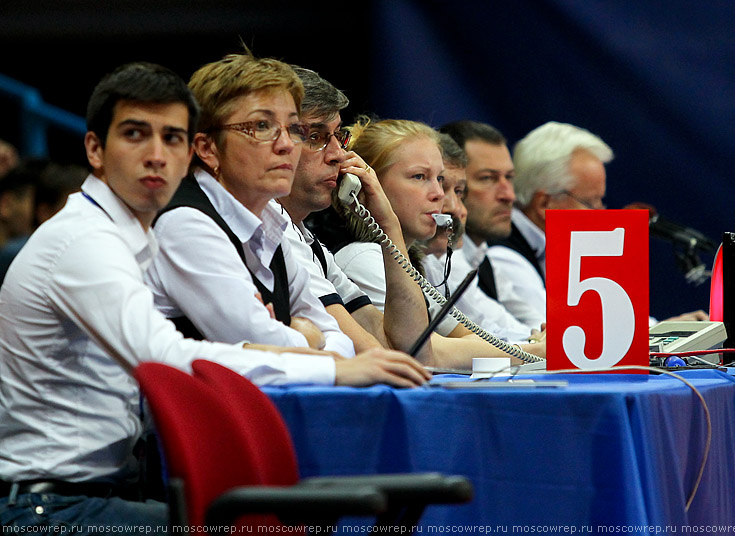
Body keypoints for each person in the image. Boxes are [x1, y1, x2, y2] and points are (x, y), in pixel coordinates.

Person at [0, 62, 429, 531]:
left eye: (172, 138)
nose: (157, 155)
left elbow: (307, 336)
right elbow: (165, 357)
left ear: (191, 150)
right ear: (95, 150)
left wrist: (306, 340)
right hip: (52, 509)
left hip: (106, 492)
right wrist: (330, 363)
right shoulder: (87, 241)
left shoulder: (138, 235)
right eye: (136, 135)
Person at [145, 53, 354, 356]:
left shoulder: (270, 219)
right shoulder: (185, 223)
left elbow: (342, 342)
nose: (286, 145)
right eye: (261, 126)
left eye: (294, 129)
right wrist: (307, 336)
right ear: (208, 148)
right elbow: (260, 347)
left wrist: (303, 336)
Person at [309, 118, 546, 368]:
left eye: (439, 179)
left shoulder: (411, 260)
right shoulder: (363, 257)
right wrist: (537, 350)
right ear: (367, 184)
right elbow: (427, 351)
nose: (439, 194)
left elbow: (469, 336)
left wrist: (534, 346)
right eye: (419, 176)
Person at [277, 66, 432, 360]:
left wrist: (389, 225)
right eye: (315, 136)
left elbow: (414, 347)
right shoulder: (278, 230)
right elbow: (383, 356)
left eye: (338, 136)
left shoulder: (307, 240)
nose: (338, 154)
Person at [489, 120, 708, 323]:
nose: (601, 213)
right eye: (591, 202)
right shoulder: (503, 256)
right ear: (545, 203)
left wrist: (667, 331)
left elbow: (607, 321)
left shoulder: (564, 248)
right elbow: (555, 335)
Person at [421, 134, 534, 342]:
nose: (509, 195)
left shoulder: (437, 262)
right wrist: (535, 345)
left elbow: (487, 326)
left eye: (458, 192)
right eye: (487, 178)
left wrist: (537, 341)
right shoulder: (368, 256)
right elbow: (433, 352)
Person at [439, 120, 545, 330]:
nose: (510, 195)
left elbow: (532, 321)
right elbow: (493, 333)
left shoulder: (481, 256)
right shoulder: (440, 258)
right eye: (488, 178)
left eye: (509, 178)